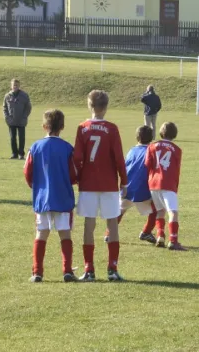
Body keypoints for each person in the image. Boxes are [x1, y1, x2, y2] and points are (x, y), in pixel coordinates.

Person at [74, 90, 127, 282]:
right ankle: (112, 268)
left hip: (88, 183)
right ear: (106, 107)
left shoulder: (82, 128)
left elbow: (77, 158)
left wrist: (78, 177)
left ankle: (89, 270)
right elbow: (119, 158)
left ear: (89, 106)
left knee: (89, 224)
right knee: (112, 223)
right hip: (109, 183)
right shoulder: (112, 129)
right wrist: (124, 180)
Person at [24, 109, 77, 283]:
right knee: (65, 234)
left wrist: (35, 185)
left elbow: (27, 172)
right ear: (62, 126)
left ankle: (37, 272)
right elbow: (74, 173)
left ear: (44, 126)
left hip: (42, 198)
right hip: (63, 197)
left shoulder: (35, 147)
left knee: (41, 234)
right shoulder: (68, 148)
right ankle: (67, 271)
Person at [103, 125, 158, 244]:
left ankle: (109, 233)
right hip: (142, 190)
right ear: (152, 137)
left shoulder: (132, 151)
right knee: (156, 210)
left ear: (137, 137)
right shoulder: (151, 151)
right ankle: (146, 232)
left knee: (118, 211)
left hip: (127, 187)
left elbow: (125, 166)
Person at [145, 122, 185, 251]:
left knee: (160, 211)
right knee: (172, 212)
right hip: (168, 183)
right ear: (174, 134)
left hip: (153, 183)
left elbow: (147, 164)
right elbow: (176, 168)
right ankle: (173, 240)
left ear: (161, 133)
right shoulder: (177, 150)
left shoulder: (152, 146)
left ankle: (160, 235)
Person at [3, 79, 32, 160]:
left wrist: (24, 116)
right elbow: (4, 108)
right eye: (13, 85)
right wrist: (7, 118)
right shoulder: (7, 96)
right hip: (11, 121)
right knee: (12, 138)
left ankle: (21, 154)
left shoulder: (24, 95)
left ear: (19, 86)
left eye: (16, 85)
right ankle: (14, 154)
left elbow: (28, 107)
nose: (14, 86)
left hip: (21, 121)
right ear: (11, 86)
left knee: (21, 137)